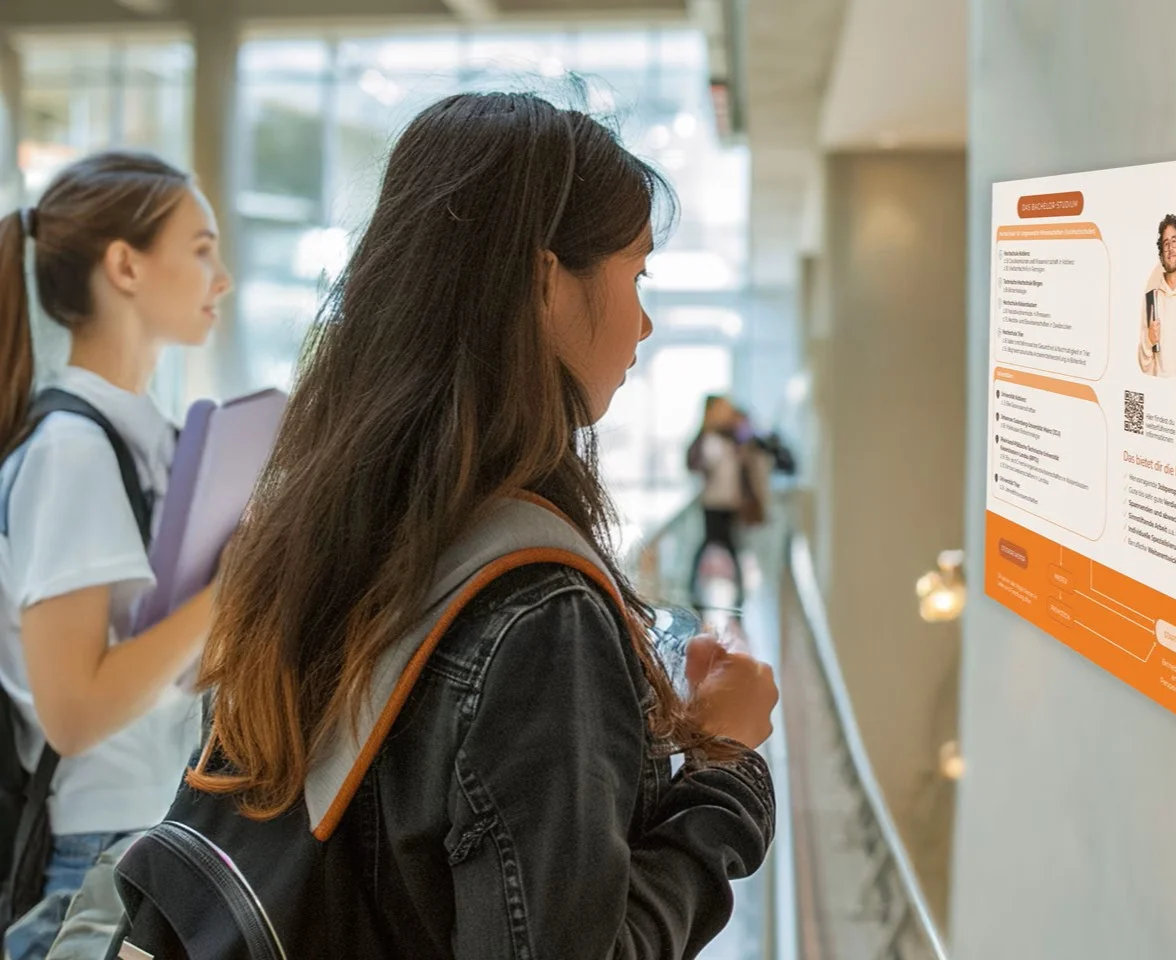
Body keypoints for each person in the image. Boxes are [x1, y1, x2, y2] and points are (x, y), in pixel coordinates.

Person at [182, 94, 777, 957]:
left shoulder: (313, 524)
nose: (644, 323)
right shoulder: (538, 609)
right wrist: (724, 771)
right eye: (635, 274)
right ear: (543, 283)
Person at [0, 152, 232, 958]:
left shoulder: (158, 440)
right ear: (126, 264)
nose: (221, 277)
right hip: (96, 858)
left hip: (152, 832)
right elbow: (75, 711)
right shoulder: (73, 449)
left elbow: (169, 665)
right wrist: (229, 592)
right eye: (200, 248)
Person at [687, 395, 748, 609]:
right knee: (716, 543)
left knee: (727, 544)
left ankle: (739, 589)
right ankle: (695, 587)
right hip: (713, 501)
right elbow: (699, 465)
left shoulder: (734, 438)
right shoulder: (708, 439)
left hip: (730, 502)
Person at [1139, 214, 1176, 376]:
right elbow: (1144, 365)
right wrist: (1149, 340)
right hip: (1159, 392)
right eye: (1166, 244)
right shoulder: (1151, 300)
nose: (1171, 248)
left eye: (1174, 241)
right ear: (1161, 256)